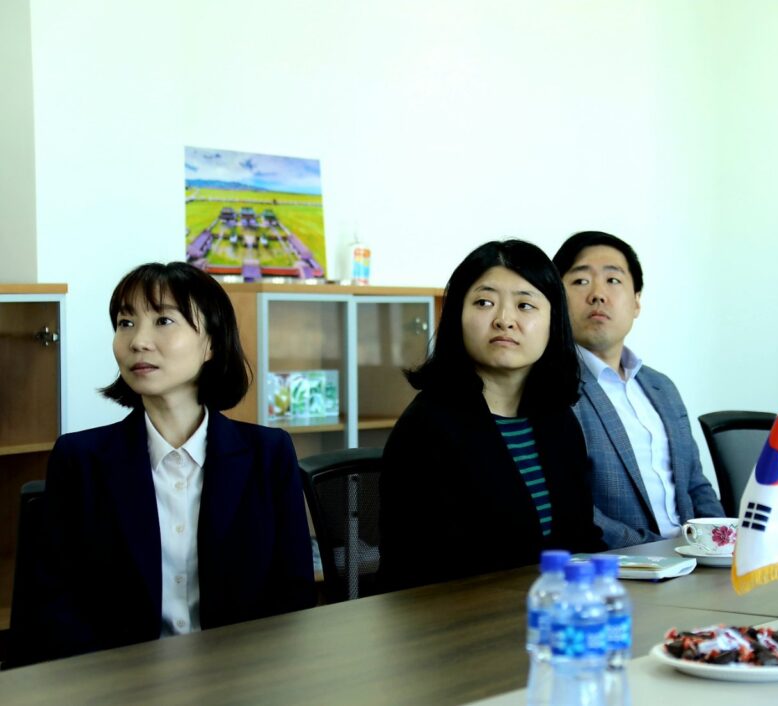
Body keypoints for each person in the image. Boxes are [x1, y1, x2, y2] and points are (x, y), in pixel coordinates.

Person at [27, 262, 315, 664]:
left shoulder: (269, 454)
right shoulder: (79, 460)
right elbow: (54, 606)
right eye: (126, 323)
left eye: (163, 320)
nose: (138, 341)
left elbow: (294, 596)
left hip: (242, 675)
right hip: (118, 680)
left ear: (211, 343)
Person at [377, 240, 604, 592]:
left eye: (525, 305)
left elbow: (581, 540)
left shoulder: (557, 420)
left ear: (553, 321)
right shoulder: (427, 427)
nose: (504, 320)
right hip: (459, 616)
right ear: (457, 316)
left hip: (552, 611)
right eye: (484, 302)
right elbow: (424, 568)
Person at [552, 232, 724, 549]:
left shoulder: (662, 387)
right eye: (580, 281)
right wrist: (654, 551)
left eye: (613, 280)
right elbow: (570, 505)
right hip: (623, 562)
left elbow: (696, 484)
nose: (597, 294)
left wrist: (721, 544)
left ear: (636, 302)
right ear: (556, 299)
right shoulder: (552, 388)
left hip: (694, 558)